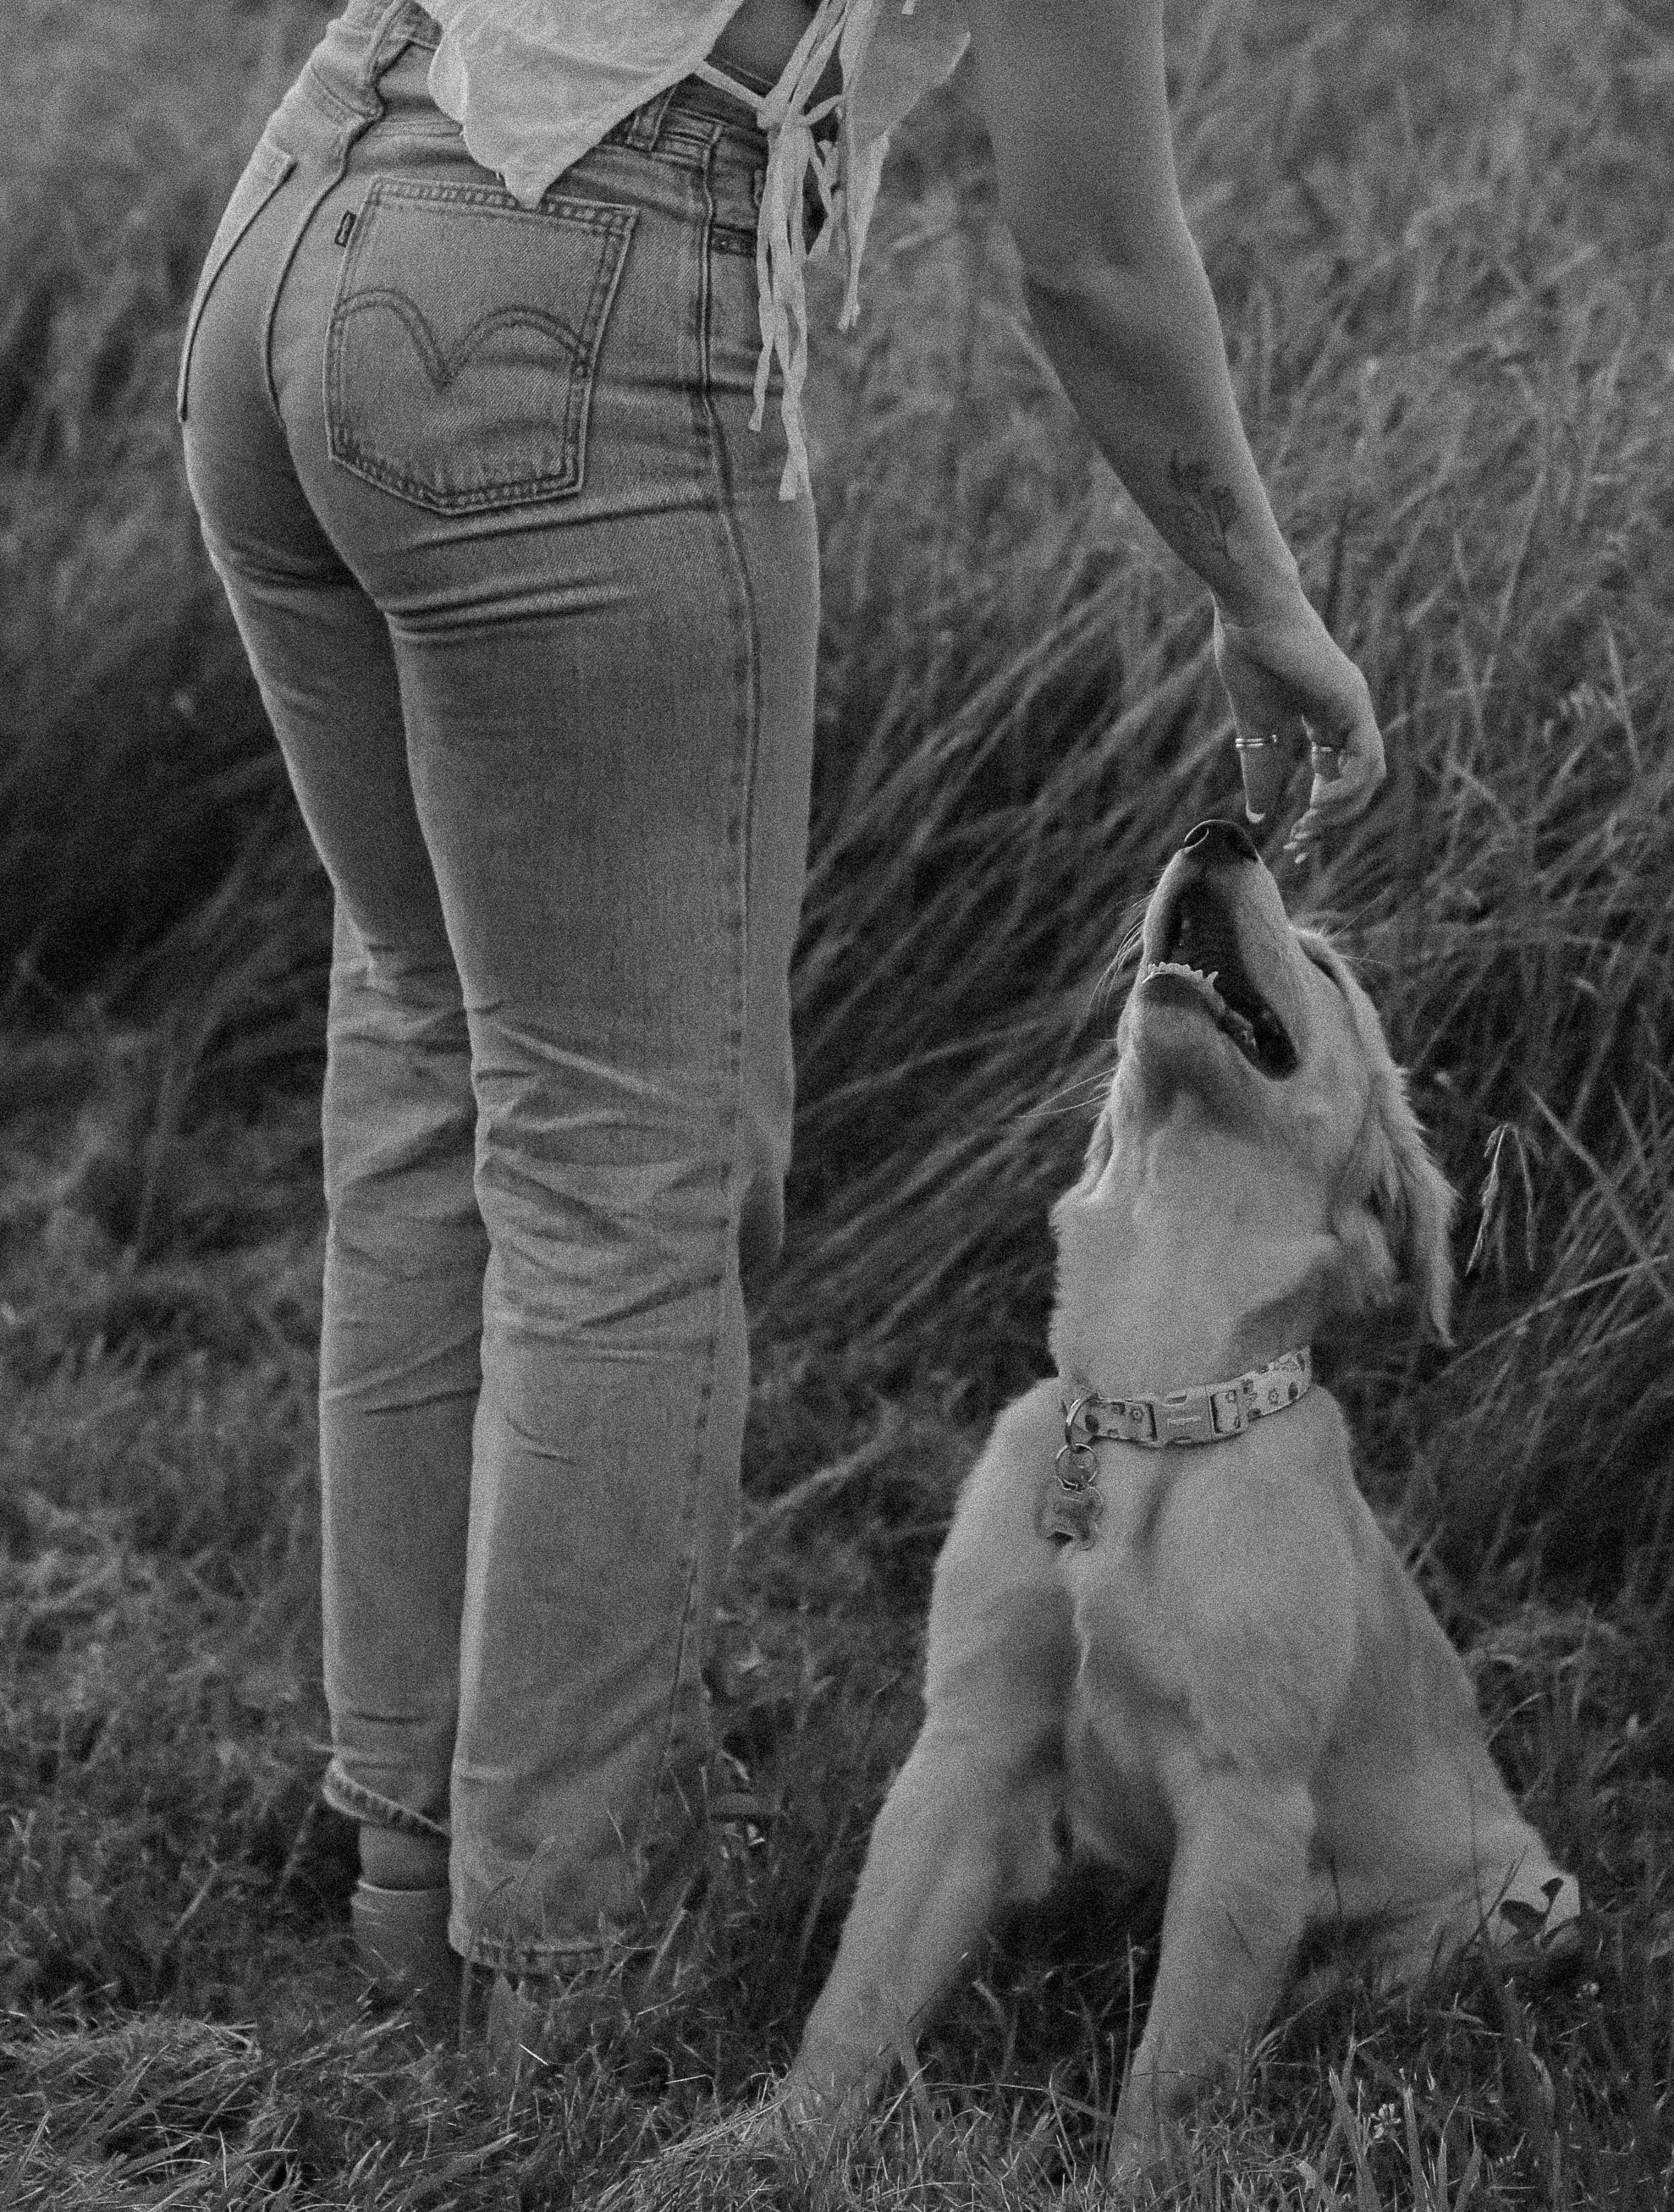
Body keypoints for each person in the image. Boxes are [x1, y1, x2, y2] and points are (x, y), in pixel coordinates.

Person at [178, 0, 1384, 2042]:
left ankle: (408, 1880)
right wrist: (1260, 598)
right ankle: (558, 1962)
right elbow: (1089, 253)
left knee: (429, 1045)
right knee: (624, 1156)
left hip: (301, 224)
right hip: (565, 293)